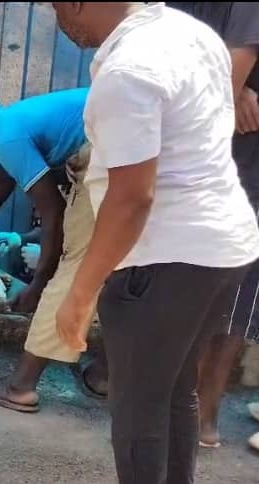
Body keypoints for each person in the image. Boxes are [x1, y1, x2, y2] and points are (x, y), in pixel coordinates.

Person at [52, 3, 259, 483]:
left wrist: (81, 294)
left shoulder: (128, 70)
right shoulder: (191, 34)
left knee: (138, 412)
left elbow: (131, 199)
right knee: (174, 392)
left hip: (166, 257)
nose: (58, 19)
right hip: (222, 249)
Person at [0, 79, 110, 412]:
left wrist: (38, 285)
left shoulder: (6, 135)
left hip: (108, 151)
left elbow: (53, 211)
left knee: (75, 268)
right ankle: (105, 376)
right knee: (122, 271)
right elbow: (2, 182)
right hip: (133, 145)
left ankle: (21, 386)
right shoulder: (11, 124)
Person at [164, 1, 259, 450]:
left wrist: (231, 88)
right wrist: (232, 91)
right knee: (201, 291)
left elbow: (229, 72)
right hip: (211, 165)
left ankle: (204, 413)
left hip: (242, 169)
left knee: (231, 297)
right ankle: (189, 412)